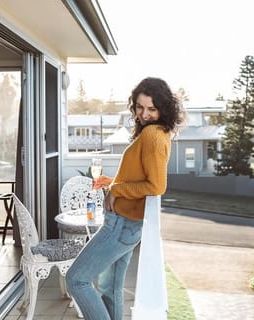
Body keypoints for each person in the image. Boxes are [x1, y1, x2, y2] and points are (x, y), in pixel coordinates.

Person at [66, 77, 185, 320]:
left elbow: (156, 186)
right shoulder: (160, 133)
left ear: (163, 108)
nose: (144, 114)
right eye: (140, 107)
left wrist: (117, 190)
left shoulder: (152, 134)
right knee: (110, 288)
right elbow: (140, 177)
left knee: (76, 280)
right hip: (129, 225)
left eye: (152, 108)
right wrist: (112, 183)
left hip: (121, 225)